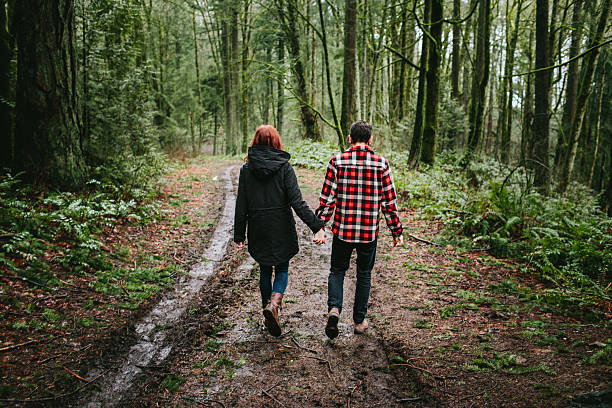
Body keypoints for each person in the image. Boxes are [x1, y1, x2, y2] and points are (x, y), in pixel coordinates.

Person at [313, 120, 403, 339]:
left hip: (343, 230)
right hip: (368, 232)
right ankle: (359, 321)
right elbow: (388, 203)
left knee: (337, 271)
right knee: (364, 274)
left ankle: (334, 309)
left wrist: (320, 226)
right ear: (370, 140)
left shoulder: (337, 161)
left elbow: (328, 199)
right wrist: (396, 231)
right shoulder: (381, 164)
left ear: (350, 139)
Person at [234, 125, 325, 337]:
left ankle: (268, 307)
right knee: (282, 267)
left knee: (265, 269)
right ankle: (274, 306)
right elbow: (297, 202)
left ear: (255, 142)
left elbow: (241, 204)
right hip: (281, 225)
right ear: (276, 142)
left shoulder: (246, 169)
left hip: (258, 226)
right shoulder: (285, 167)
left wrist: (239, 234)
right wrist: (317, 226)